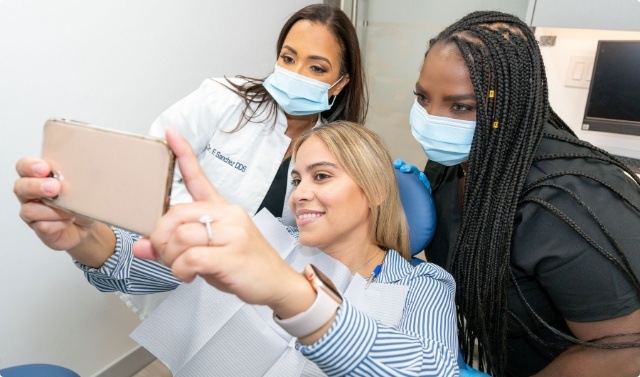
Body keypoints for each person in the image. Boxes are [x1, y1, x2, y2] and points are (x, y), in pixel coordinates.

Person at [14, 4, 367, 296]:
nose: (296, 73)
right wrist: (207, 230)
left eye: (316, 67)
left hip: (262, 288)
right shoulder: (224, 98)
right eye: (288, 59)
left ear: (341, 82)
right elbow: (155, 171)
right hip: (181, 263)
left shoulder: (336, 150)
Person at [82, 122, 460, 375]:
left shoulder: (423, 283)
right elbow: (147, 263)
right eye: (297, 179)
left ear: (375, 191)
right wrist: (83, 234)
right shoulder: (264, 236)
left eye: (322, 176)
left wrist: (295, 296)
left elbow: (432, 369)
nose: (299, 194)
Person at [407, 10, 640, 377]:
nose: (432, 118)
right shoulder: (449, 167)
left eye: (461, 106)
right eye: (423, 98)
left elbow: (623, 351)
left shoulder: (568, 199)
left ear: (513, 102)